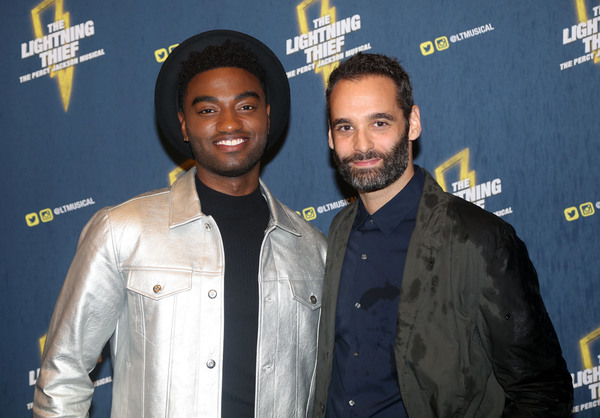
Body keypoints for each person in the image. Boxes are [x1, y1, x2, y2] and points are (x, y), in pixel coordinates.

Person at [33, 30, 326, 418]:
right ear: (184, 125)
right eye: (207, 110)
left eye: (245, 106)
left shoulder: (313, 248)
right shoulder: (122, 231)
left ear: (267, 117)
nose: (228, 124)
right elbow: (63, 375)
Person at [313, 53, 573, 417]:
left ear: (413, 123)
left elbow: (541, 393)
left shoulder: (479, 239)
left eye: (380, 123)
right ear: (330, 136)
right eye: (345, 127)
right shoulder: (339, 230)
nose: (361, 145)